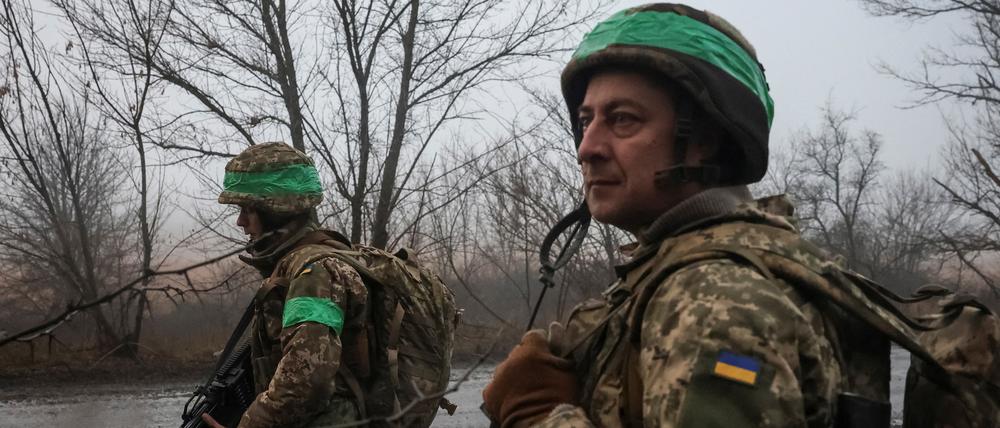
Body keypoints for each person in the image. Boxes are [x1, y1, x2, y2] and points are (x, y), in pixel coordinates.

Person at [483, 3, 891, 427]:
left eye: (622, 120)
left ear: (705, 141)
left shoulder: (715, 302)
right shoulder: (696, 269)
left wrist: (539, 417)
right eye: (586, 121)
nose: (588, 147)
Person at [207, 142, 369, 428]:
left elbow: (307, 380)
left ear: (275, 210)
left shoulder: (314, 273)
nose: (240, 221)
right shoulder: (301, 265)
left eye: (248, 209)